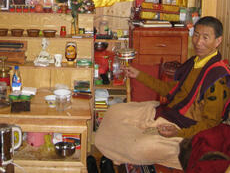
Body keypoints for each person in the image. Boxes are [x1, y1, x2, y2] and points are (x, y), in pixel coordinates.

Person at [95, 16, 230, 169]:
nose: (198, 42)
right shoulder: (195, 62)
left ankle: (123, 154)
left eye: (206, 37)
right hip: (168, 111)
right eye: (197, 35)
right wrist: (138, 75)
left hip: (185, 130)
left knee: (139, 147)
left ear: (218, 41)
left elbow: (210, 124)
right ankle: (124, 151)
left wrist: (178, 133)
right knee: (114, 112)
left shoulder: (218, 78)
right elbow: (170, 90)